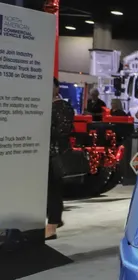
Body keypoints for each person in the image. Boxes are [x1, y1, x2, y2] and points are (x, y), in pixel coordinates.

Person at [47, 78, 74, 240]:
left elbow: (63, 131)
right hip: (41, 152)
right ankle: (54, 219)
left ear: (57, 89)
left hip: (55, 153)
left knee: (52, 189)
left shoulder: (62, 106)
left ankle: (52, 224)